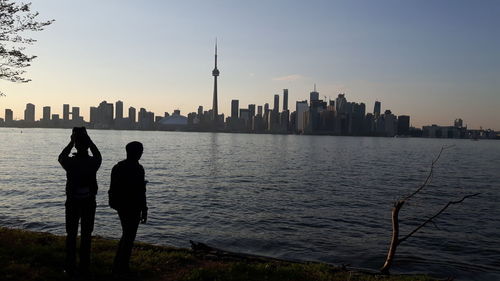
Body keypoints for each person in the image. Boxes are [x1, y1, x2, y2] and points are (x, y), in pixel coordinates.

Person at [58, 127, 101, 276]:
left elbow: (61, 157)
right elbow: (98, 155)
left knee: (71, 234)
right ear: (88, 145)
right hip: (89, 202)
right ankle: (84, 266)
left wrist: (71, 142)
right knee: (86, 235)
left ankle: (70, 266)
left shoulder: (70, 163)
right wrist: (89, 140)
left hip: (72, 202)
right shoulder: (93, 163)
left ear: (76, 145)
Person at [109, 141, 148, 276]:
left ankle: (119, 265)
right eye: (140, 151)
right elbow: (141, 191)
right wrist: (144, 209)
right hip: (133, 206)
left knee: (127, 234)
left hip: (122, 206)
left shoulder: (117, 167)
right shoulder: (138, 168)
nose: (141, 153)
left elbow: (112, 188)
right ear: (136, 152)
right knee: (129, 236)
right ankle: (121, 266)